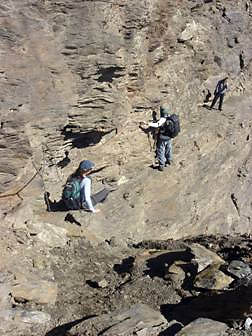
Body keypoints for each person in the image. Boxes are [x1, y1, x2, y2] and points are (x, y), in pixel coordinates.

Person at [142, 105, 173, 171]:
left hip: (163, 138)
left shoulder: (163, 119)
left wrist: (148, 124)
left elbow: (157, 125)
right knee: (168, 148)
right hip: (169, 137)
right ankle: (169, 160)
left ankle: (161, 165)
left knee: (161, 150)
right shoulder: (171, 117)